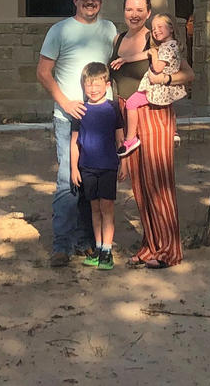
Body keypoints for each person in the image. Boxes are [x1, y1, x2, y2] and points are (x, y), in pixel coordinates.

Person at [108, 0, 195, 269]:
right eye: (129, 9)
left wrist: (165, 80)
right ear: (124, 11)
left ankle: (170, 250)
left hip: (154, 113)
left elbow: (188, 74)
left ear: (148, 13)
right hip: (127, 115)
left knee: (159, 183)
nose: (134, 14)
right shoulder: (119, 39)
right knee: (140, 186)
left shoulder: (156, 41)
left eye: (139, 10)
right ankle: (151, 246)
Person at [37, 0, 118, 268]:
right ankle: (62, 245)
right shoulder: (59, 30)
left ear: (100, 0)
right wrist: (65, 102)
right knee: (66, 181)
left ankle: (88, 242)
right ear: (75, 0)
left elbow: (116, 67)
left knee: (91, 180)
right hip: (68, 118)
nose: (89, 1)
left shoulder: (109, 29)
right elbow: (44, 72)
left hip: (100, 120)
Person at [70, 62, 126, 271]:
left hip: (108, 167)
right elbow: (74, 142)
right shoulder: (80, 110)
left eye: (97, 84)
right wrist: (74, 168)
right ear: (83, 86)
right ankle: (98, 247)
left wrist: (125, 164)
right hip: (87, 167)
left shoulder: (112, 108)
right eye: (89, 85)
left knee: (107, 208)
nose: (93, 89)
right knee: (94, 208)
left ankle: (107, 251)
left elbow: (121, 140)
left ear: (107, 84)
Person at [113, 13, 188, 156]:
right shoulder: (164, 46)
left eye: (160, 27)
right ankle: (173, 131)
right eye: (153, 28)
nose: (156, 30)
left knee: (131, 103)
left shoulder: (168, 47)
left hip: (157, 87)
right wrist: (125, 59)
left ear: (171, 28)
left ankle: (131, 139)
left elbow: (158, 68)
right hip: (163, 88)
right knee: (168, 108)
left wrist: (153, 54)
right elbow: (143, 54)